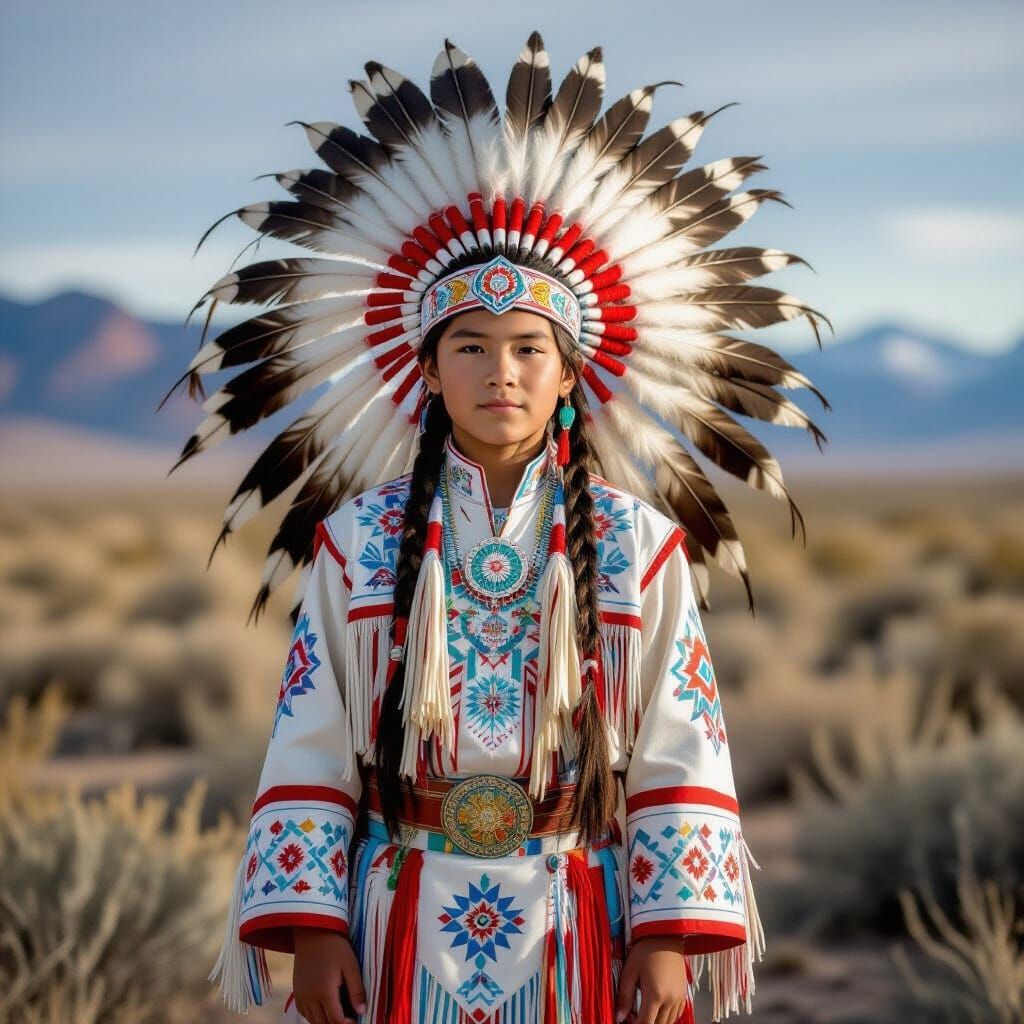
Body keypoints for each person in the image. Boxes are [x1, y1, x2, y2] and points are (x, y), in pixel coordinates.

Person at [166, 30, 830, 1024]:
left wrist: (663, 936)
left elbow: (678, 737)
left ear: (569, 374)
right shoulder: (358, 539)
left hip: (585, 912)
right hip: (395, 912)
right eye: (470, 347)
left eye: (528, 348)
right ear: (428, 371)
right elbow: (311, 734)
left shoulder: (636, 542)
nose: (500, 373)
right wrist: (314, 929)